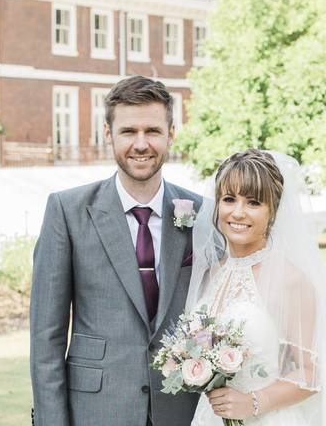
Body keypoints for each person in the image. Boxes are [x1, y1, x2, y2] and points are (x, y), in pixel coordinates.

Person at [30, 76, 204, 426]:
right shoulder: (67, 211)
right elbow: (46, 339)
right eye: (128, 132)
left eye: (153, 131)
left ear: (171, 134)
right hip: (97, 410)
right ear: (108, 134)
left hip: (182, 411)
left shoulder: (200, 213)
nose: (141, 144)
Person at [186, 149, 326, 425]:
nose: (238, 212)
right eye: (229, 199)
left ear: (273, 211)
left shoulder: (289, 280)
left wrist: (252, 402)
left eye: (253, 202)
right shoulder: (213, 271)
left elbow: (310, 372)